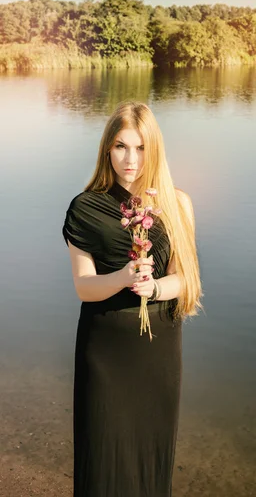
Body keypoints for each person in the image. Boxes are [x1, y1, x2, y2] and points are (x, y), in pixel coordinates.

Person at [62, 101, 204, 497]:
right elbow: (83, 287)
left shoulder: (177, 204)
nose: (131, 159)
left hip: (157, 352)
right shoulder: (85, 208)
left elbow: (186, 281)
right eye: (122, 146)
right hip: (104, 352)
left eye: (141, 148)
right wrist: (123, 276)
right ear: (107, 148)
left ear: (153, 149)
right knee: (103, 457)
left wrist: (155, 288)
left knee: (149, 459)